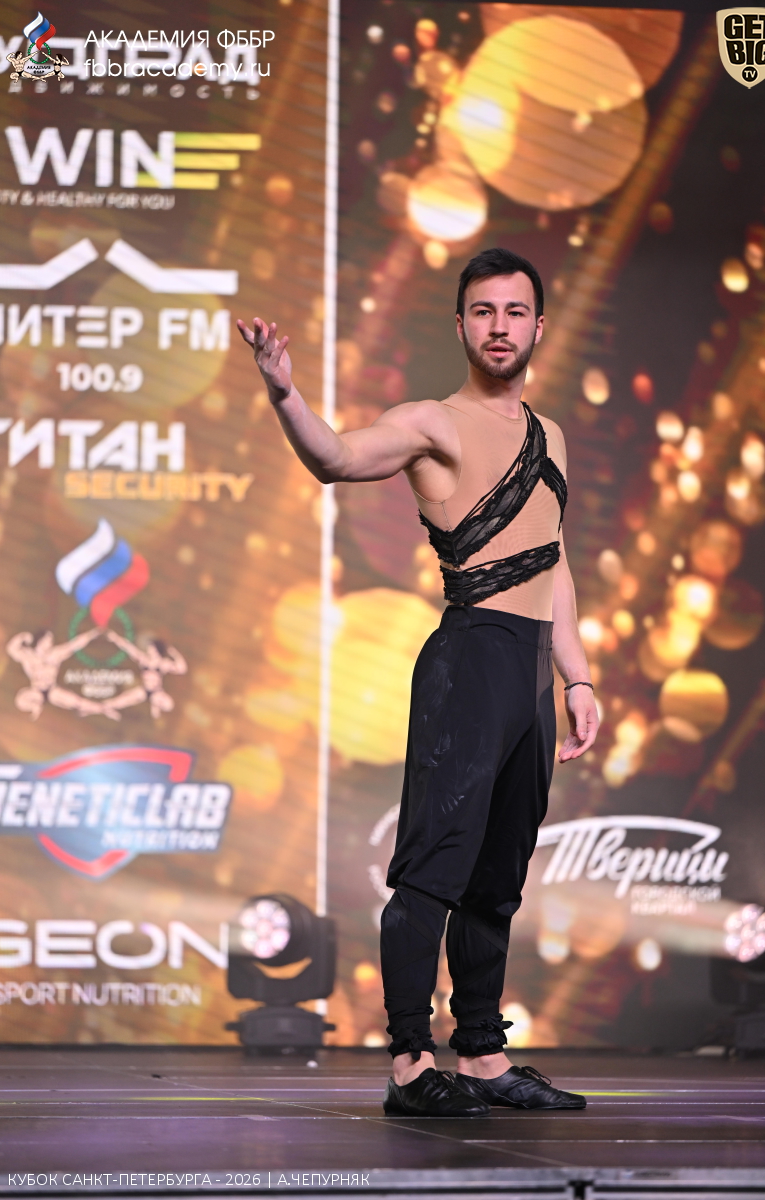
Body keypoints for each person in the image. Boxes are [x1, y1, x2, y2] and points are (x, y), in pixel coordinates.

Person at [238, 247, 599, 1118]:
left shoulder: (550, 437)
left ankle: (481, 1054)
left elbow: (552, 563)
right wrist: (286, 394)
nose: (500, 327)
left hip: (530, 676)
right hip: (468, 664)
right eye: (483, 311)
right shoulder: (432, 423)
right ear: (462, 324)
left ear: (538, 326)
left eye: (515, 311)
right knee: (433, 870)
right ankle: (409, 1062)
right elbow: (335, 458)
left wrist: (577, 679)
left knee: (498, 877)